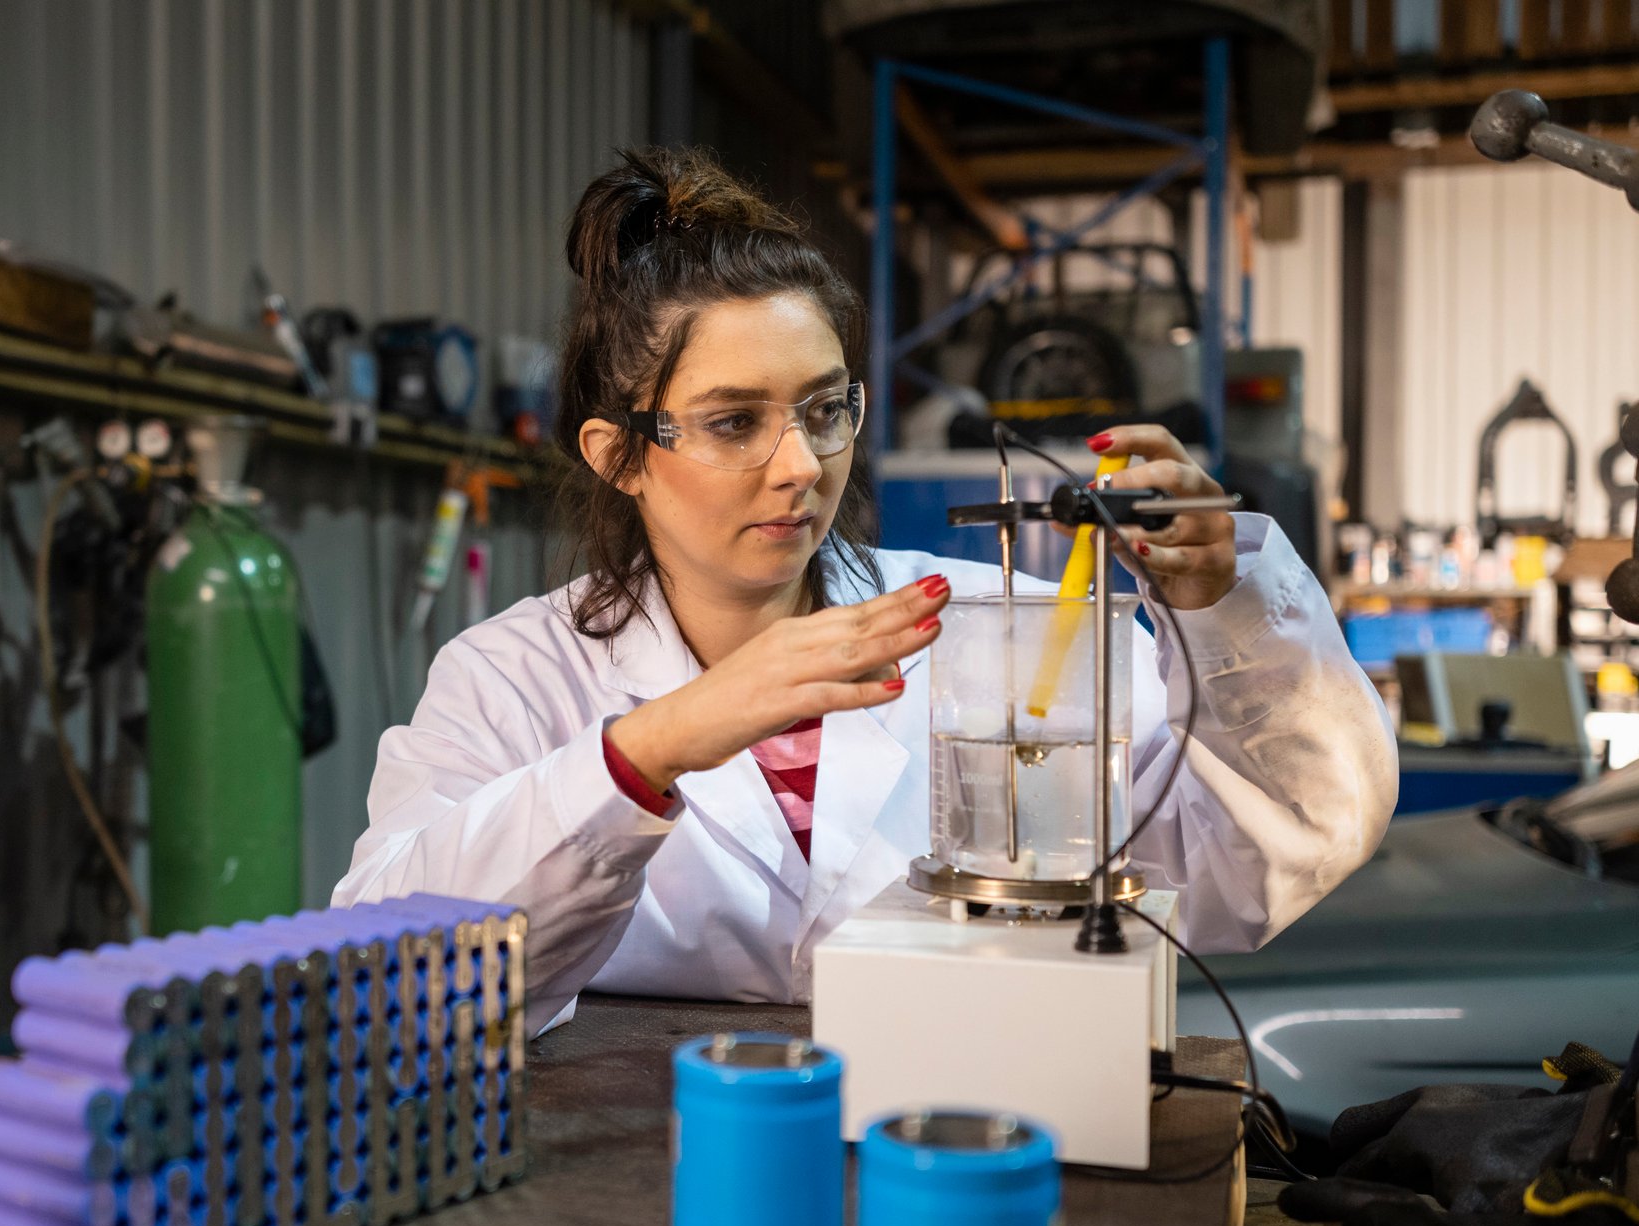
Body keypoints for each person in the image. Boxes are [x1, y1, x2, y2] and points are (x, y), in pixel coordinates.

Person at [335, 148, 1397, 1037]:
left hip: (970, 1141)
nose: (798, 463)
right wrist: (647, 750)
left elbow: (1282, 842)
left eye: (822, 408)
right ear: (618, 454)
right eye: (731, 421)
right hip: (651, 1178)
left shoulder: (993, 631)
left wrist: (1227, 609)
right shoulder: (514, 677)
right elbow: (391, 971)